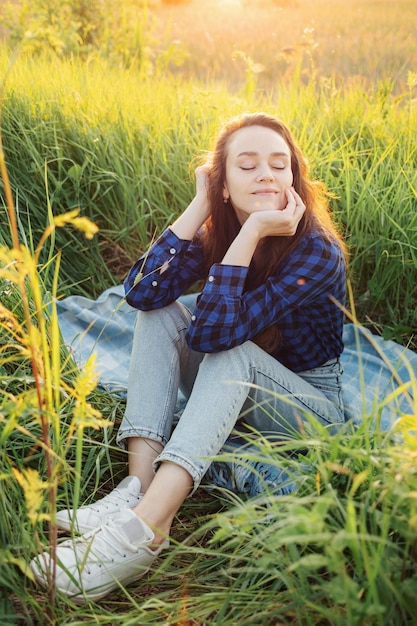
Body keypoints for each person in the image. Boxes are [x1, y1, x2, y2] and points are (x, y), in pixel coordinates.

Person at [30, 112, 347, 603]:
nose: (266, 173)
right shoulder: (217, 228)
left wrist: (255, 229)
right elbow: (138, 293)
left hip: (308, 410)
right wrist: (201, 206)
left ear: (293, 179)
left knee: (230, 349)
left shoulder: (317, 253)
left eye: (279, 165)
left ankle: (148, 529)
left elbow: (219, 334)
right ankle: (136, 489)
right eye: (247, 165)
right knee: (159, 314)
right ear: (223, 184)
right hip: (239, 377)